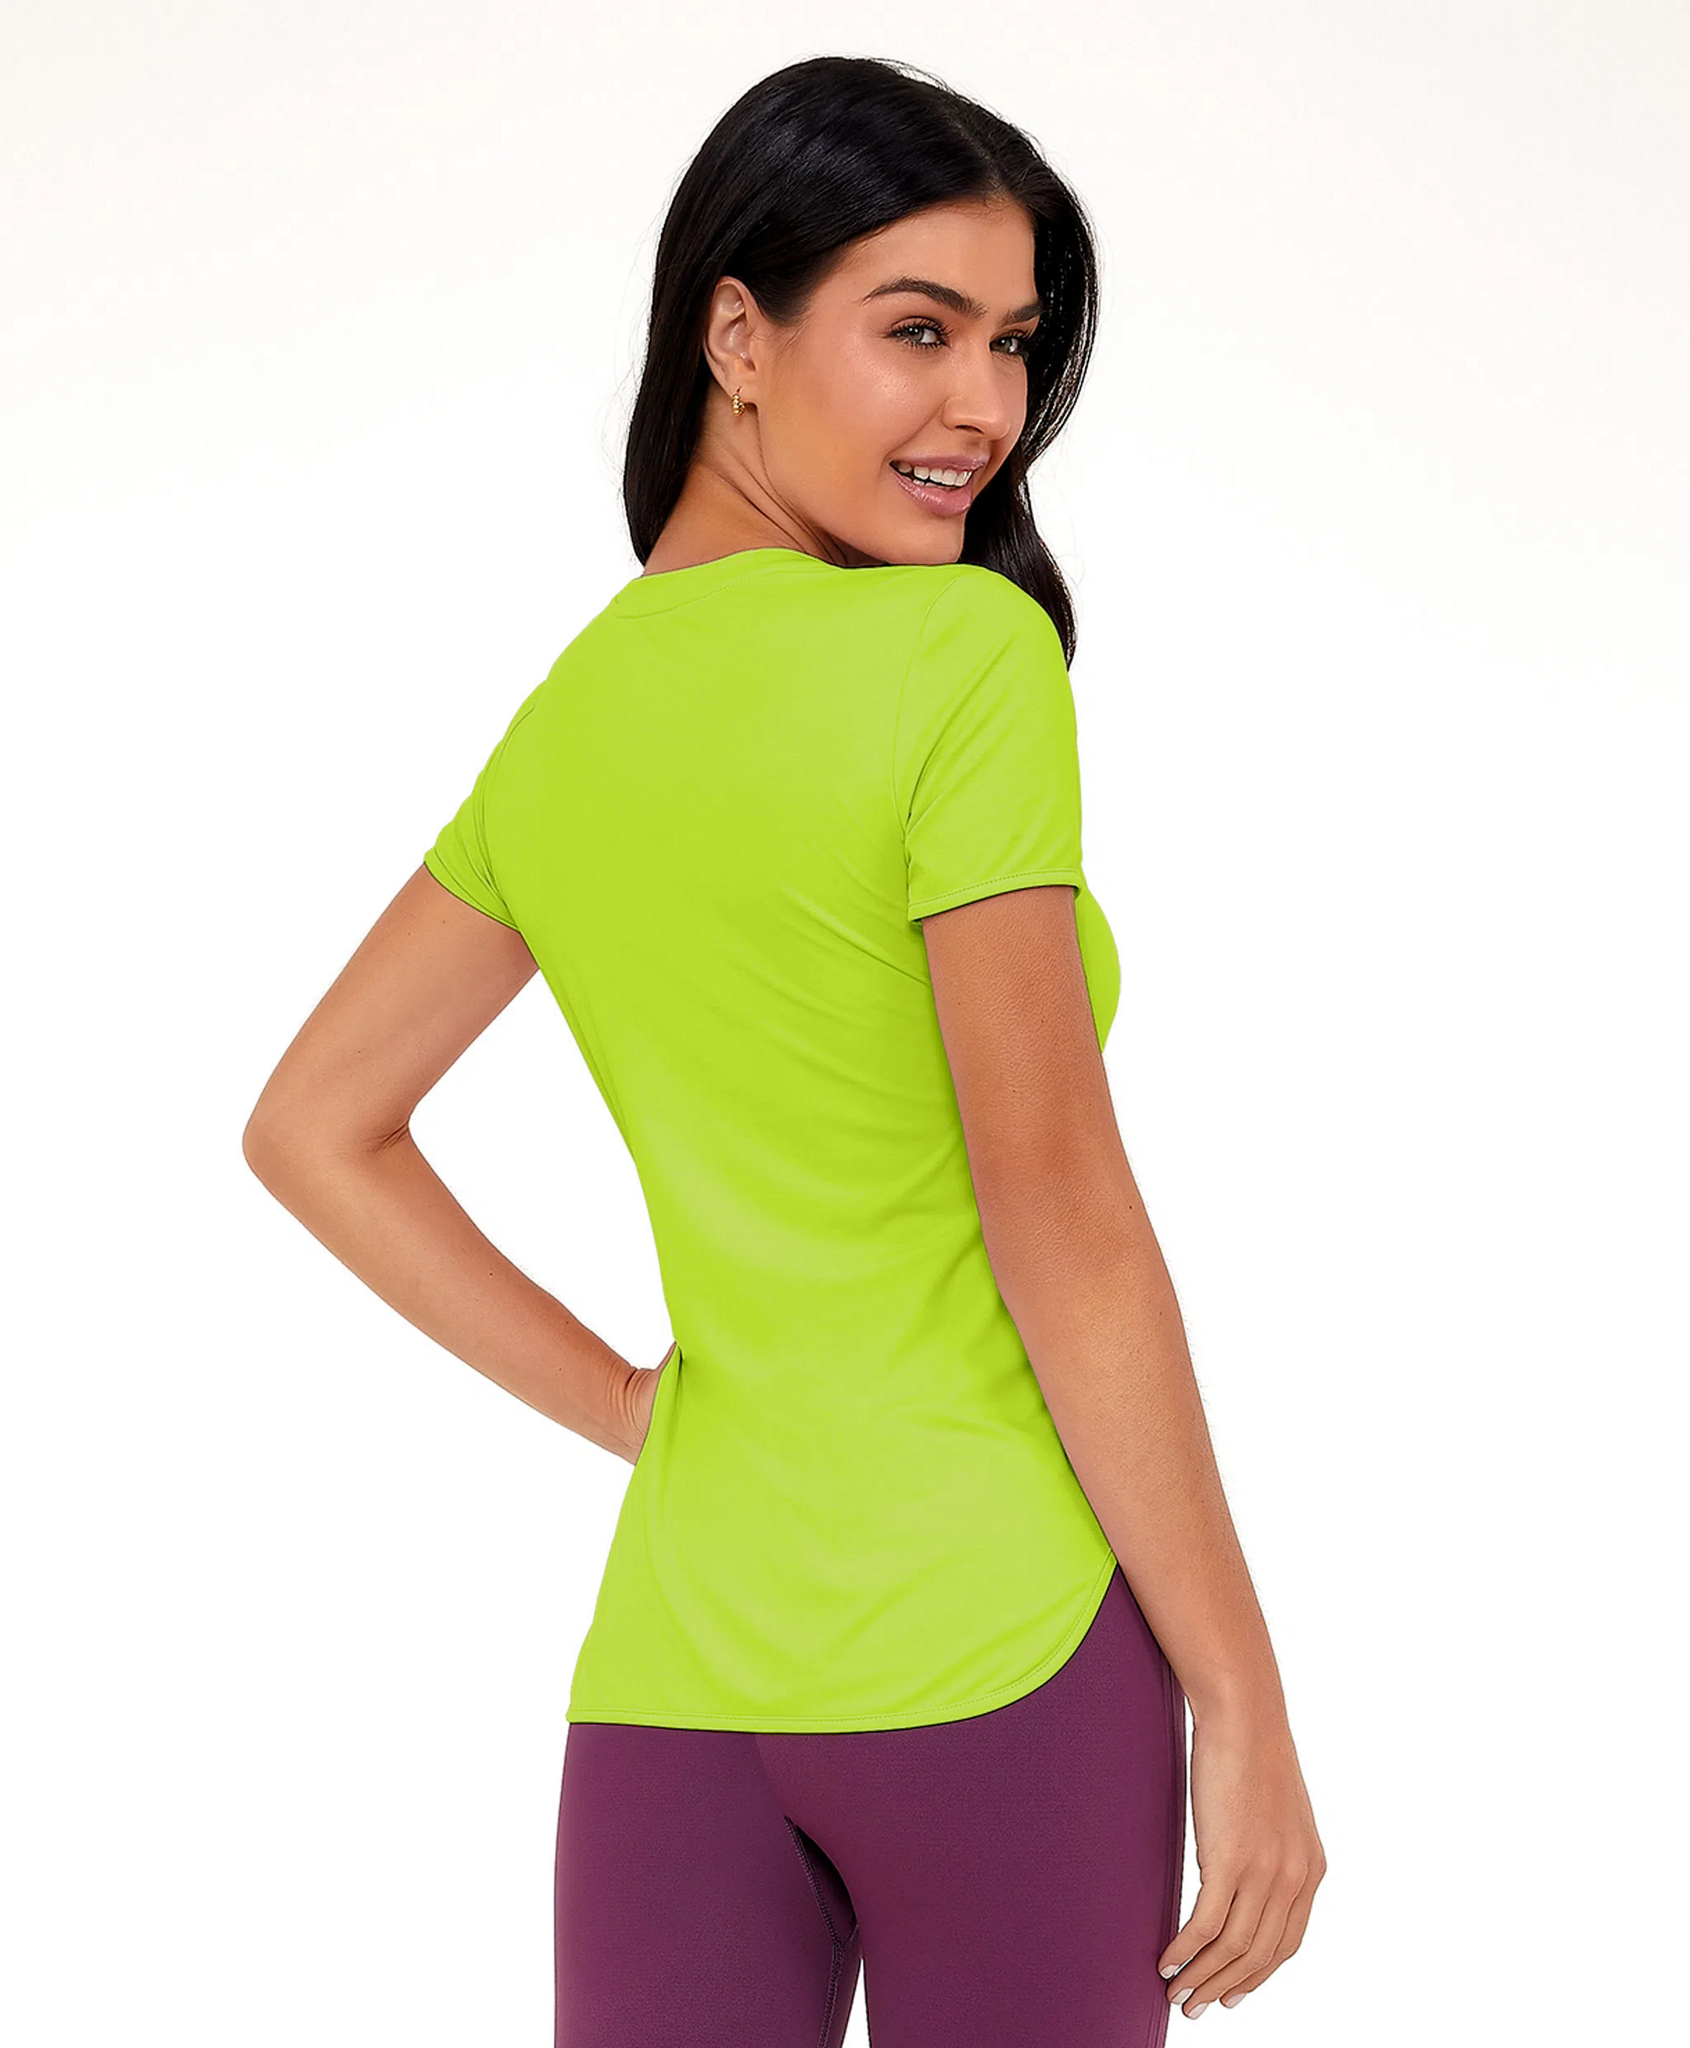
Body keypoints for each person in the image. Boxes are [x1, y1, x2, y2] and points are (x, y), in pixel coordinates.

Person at [243, 52, 1325, 2048]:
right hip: (994, 1639)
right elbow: (1059, 1217)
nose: (983, 406)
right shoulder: (962, 658)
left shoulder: (574, 715)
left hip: (675, 1664)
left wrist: (634, 1412)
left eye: (1010, 342)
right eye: (916, 330)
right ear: (733, 337)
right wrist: (1238, 1688)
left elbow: (313, 1127)